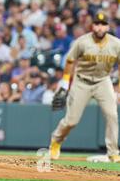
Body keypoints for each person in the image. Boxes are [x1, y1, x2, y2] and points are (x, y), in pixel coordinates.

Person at [49, 12, 120, 163]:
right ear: (92, 26)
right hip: (82, 81)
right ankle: (56, 141)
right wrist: (65, 82)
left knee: (112, 115)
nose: (100, 27)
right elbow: (70, 60)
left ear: (108, 26)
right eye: (97, 24)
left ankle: (113, 152)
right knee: (71, 121)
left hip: (103, 81)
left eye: (103, 24)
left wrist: (118, 89)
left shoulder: (116, 44)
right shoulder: (82, 42)